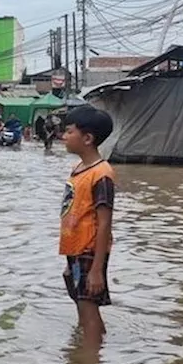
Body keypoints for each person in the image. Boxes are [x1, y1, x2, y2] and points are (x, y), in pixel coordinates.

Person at [59, 106, 117, 345]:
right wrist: (70, 262)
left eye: (69, 131)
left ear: (87, 138)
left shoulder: (101, 174)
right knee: (82, 306)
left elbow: (105, 224)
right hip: (76, 250)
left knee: (88, 308)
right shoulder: (79, 169)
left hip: (89, 252)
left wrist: (95, 269)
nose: (64, 136)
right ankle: (84, 356)